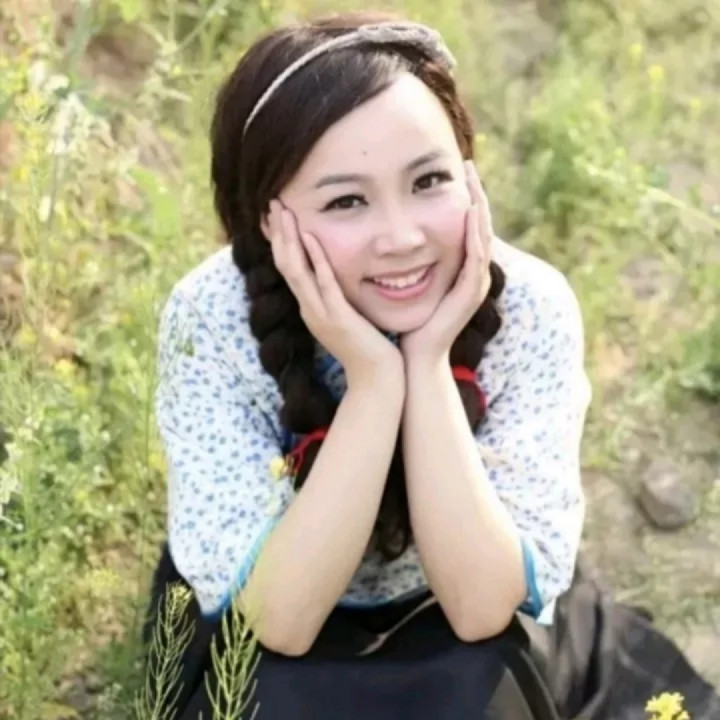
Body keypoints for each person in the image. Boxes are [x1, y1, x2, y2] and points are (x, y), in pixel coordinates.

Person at [145, 10, 720, 719]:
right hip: (271, 605)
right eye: (347, 200)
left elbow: (481, 608)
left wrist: (429, 360)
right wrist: (373, 383)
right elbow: (280, 621)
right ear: (270, 219)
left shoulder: (530, 306)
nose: (402, 237)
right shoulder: (212, 318)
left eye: (429, 181)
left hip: (465, 605)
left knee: (473, 692)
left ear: (470, 177)